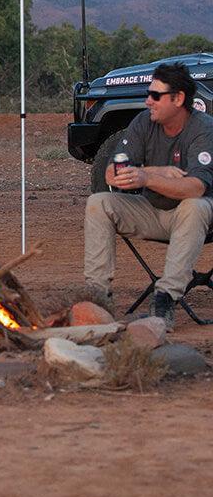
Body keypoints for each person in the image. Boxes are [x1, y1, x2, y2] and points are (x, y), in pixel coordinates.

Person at [84, 62, 213, 330]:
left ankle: (165, 297)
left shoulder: (203, 128)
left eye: (155, 95)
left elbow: (196, 187)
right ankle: (98, 295)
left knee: (195, 206)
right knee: (99, 203)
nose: (148, 101)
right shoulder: (143, 122)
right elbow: (112, 172)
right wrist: (156, 172)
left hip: (191, 219)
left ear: (178, 99)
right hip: (151, 210)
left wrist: (146, 177)